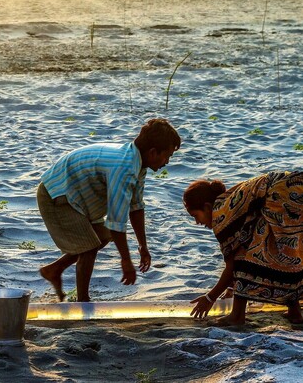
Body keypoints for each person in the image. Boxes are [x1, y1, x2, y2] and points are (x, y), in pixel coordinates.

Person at [37, 118, 181, 302]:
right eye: (167, 156)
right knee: (89, 247)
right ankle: (83, 303)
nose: (167, 161)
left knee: (102, 237)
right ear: (153, 152)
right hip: (56, 194)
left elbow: (136, 207)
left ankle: (54, 270)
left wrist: (143, 247)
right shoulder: (125, 168)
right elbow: (116, 222)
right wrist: (126, 261)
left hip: (75, 197)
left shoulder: (138, 164)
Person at [183, 171, 303, 326]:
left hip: (280, 195)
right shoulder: (229, 201)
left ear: (207, 207)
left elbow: (233, 265)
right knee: (288, 252)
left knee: (247, 255)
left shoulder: (220, 214)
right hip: (295, 188)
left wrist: (210, 298)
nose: (197, 222)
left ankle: (237, 316)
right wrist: (233, 288)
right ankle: (295, 312)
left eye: (195, 216)